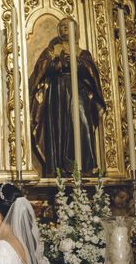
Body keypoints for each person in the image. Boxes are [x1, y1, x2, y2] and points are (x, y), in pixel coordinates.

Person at [30, 18, 105, 175]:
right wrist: (58, 63)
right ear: (58, 30)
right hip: (58, 93)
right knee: (59, 125)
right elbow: (42, 69)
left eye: (68, 26)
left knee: (82, 122)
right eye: (62, 26)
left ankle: (85, 166)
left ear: (76, 30)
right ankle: (60, 166)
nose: (65, 29)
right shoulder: (52, 50)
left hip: (78, 92)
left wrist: (77, 64)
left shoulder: (82, 53)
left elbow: (90, 71)